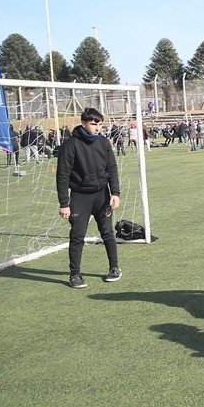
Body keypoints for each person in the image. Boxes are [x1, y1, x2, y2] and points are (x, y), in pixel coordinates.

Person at [55, 107, 122, 289]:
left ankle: (114, 268)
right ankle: (75, 275)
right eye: (93, 124)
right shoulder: (70, 145)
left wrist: (115, 193)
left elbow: (112, 169)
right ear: (83, 123)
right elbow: (62, 175)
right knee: (77, 236)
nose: (97, 128)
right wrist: (64, 203)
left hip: (102, 195)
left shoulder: (103, 143)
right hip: (80, 196)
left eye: (100, 124)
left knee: (107, 232)